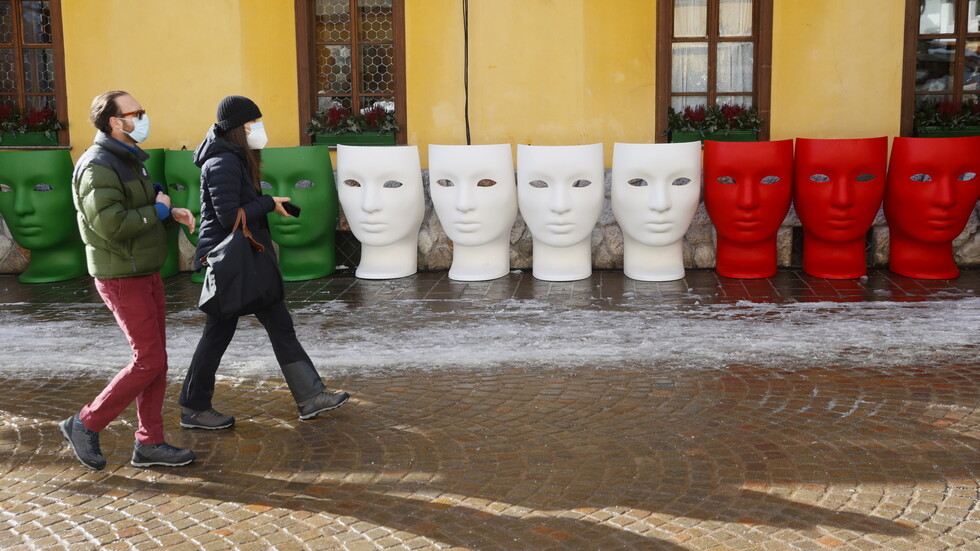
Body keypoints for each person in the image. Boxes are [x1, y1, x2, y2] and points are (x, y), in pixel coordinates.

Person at [179, 95, 350, 429]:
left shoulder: (235, 157)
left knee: (279, 325)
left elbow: (240, 204)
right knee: (217, 334)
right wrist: (267, 203)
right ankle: (194, 408)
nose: (257, 129)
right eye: (250, 124)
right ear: (236, 129)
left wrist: (269, 203)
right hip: (231, 260)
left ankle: (311, 397)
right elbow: (229, 216)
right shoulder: (222, 162)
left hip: (249, 256)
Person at [61, 90, 198, 470]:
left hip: (144, 268)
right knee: (149, 359)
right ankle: (85, 423)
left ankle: (150, 442)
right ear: (113, 122)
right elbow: (111, 224)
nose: (142, 117)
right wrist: (157, 209)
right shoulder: (97, 165)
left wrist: (169, 210)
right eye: (135, 112)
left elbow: (139, 200)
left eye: (142, 110)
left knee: (157, 360)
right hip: (121, 274)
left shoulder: (129, 159)